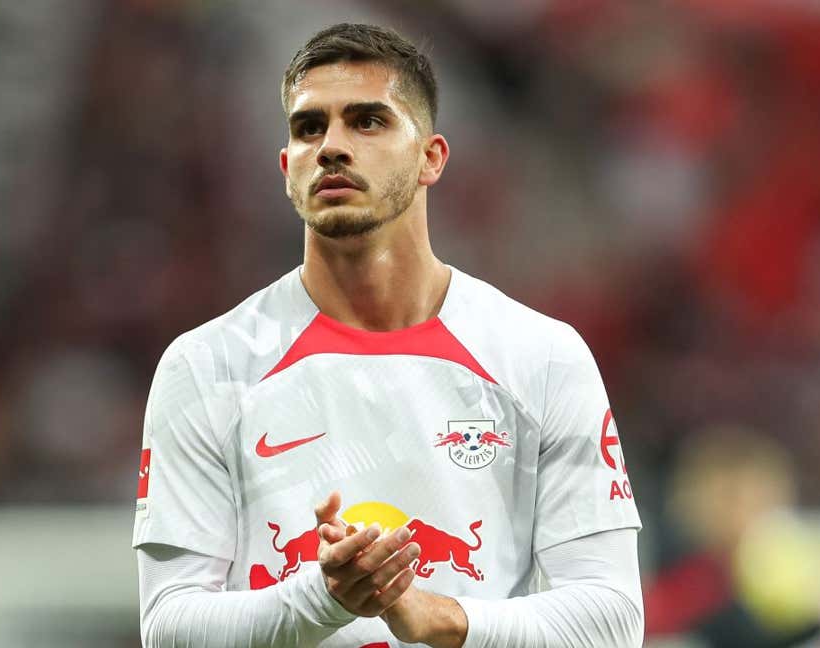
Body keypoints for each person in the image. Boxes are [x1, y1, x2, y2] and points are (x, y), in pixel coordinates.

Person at [134, 23, 643, 647]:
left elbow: (612, 622)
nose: (331, 147)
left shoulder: (541, 357)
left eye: (368, 121)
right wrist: (321, 599)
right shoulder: (206, 366)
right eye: (309, 128)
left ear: (431, 157)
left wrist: (439, 615)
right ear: (286, 165)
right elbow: (169, 627)